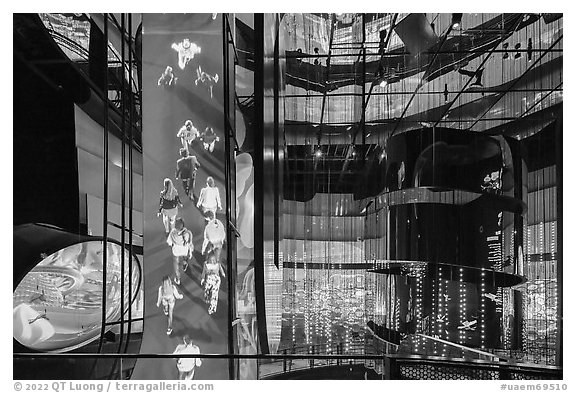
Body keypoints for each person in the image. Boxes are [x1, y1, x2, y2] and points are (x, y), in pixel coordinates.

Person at [166, 218, 194, 285]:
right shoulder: (188, 233)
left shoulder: (172, 232)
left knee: (176, 263)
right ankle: (185, 264)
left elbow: (169, 242)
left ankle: (178, 278)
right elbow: (190, 243)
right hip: (185, 250)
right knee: (185, 257)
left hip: (176, 251)